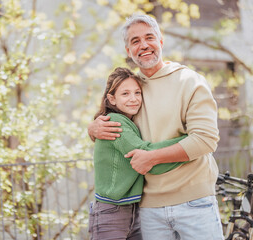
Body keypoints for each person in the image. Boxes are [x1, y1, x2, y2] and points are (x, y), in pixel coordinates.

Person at [88, 14, 224, 240]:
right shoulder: (131, 88)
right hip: (149, 209)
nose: (143, 45)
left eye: (149, 37)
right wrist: (92, 128)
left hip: (194, 204)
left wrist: (153, 158)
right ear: (128, 50)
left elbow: (206, 139)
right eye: (135, 41)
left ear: (161, 42)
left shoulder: (190, 81)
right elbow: (112, 119)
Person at [89, 67, 187, 240]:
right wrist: (189, 142)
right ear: (111, 99)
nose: (133, 99)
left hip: (134, 211)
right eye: (125, 94)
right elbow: (146, 156)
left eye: (137, 93)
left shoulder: (130, 121)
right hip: (112, 212)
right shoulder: (114, 121)